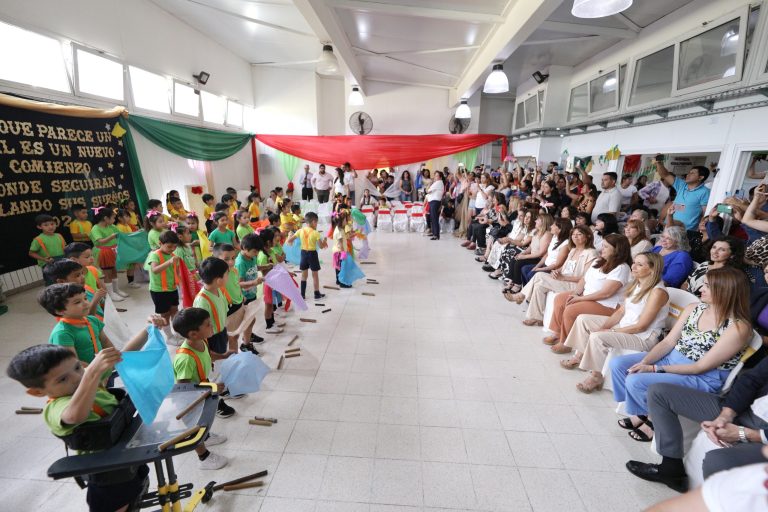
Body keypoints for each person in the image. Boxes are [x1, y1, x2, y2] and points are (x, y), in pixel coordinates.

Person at [609, 266, 752, 443]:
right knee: (619, 365)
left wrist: (654, 368)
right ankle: (643, 411)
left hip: (702, 376)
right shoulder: (694, 308)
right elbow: (669, 342)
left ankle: (653, 420)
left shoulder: (738, 327)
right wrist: (645, 362)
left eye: (707, 286)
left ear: (725, 291)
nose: (701, 289)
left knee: (636, 380)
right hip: (672, 358)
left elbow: (699, 367)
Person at [7, 345, 150, 512]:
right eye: (62, 379)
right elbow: (75, 416)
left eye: (77, 367)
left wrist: (148, 329)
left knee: (135, 497)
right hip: (108, 477)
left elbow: (120, 354)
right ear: (38, 392)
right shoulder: (56, 407)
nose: (76, 377)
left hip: (128, 461)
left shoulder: (89, 383)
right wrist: (91, 374)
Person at [625, 356, 768, 494]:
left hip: (761, 433)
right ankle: (671, 468)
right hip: (745, 408)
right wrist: (725, 416)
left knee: (718, 461)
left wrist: (748, 434)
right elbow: (751, 379)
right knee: (658, 393)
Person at [560, 252, 669, 393]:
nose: (633, 266)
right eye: (634, 262)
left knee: (598, 337)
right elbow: (620, 312)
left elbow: (641, 326)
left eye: (640, 264)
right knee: (583, 320)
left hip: (644, 337)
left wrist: (609, 331)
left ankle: (596, 375)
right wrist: (603, 327)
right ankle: (580, 355)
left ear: (653, 269)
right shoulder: (637, 285)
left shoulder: (657, 292)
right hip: (625, 326)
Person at [546, 233, 633, 353]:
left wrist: (580, 299)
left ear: (617, 250)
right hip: (589, 296)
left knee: (571, 309)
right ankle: (558, 332)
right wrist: (576, 293)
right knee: (560, 299)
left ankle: (566, 343)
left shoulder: (622, 268)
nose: (602, 249)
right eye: (603, 245)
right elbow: (584, 279)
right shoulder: (599, 261)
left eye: (606, 247)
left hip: (607, 305)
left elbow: (605, 293)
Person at [171, 308, 231, 468]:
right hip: (188, 402)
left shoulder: (201, 341)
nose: (212, 326)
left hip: (201, 393)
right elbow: (183, 388)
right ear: (193, 334)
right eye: (208, 325)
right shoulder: (185, 359)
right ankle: (204, 457)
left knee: (204, 420)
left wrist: (223, 356)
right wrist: (211, 387)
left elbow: (208, 354)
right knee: (194, 428)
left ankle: (207, 436)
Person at [513, 226, 598, 324]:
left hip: (575, 285)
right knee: (539, 286)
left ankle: (521, 295)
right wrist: (556, 272)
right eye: (573, 234)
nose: (575, 237)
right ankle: (537, 318)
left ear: (588, 236)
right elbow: (564, 268)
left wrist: (563, 277)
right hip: (563, 280)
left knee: (539, 276)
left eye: (579, 234)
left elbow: (585, 277)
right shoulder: (573, 250)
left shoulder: (591, 253)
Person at [501, 213, 554, 295]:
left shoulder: (547, 234)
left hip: (539, 259)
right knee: (515, 258)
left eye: (538, 220)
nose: (535, 221)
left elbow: (541, 253)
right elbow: (531, 247)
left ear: (543, 222)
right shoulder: (536, 232)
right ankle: (511, 281)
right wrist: (523, 253)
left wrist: (524, 257)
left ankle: (517, 285)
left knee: (519, 262)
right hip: (532, 256)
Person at [654, 157, 711, 231]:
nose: (688, 174)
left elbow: (704, 213)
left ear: (700, 177)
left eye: (692, 173)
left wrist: (699, 230)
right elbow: (665, 175)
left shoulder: (705, 192)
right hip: (668, 228)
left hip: (685, 232)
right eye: (689, 172)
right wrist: (659, 162)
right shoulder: (682, 185)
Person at [193, 257, 234, 361]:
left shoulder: (218, 290)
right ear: (219, 280)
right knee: (214, 361)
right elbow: (199, 329)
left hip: (221, 332)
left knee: (222, 354)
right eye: (227, 274)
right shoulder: (202, 301)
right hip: (212, 338)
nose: (228, 277)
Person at [145, 230, 181, 343]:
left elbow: (177, 271)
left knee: (175, 311)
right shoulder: (154, 255)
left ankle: (178, 332)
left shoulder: (173, 255)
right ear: (160, 243)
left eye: (175, 247)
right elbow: (155, 270)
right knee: (165, 314)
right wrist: (169, 262)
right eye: (169, 246)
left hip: (172, 288)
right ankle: (169, 337)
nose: (172, 249)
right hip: (159, 291)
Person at [235, 233, 266, 351]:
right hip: (244, 297)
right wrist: (253, 282)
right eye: (254, 251)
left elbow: (253, 267)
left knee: (251, 320)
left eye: (258, 251)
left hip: (252, 294)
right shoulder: (240, 263)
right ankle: (245, 344)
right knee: (249, 321)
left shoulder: (251, 257)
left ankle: (248, 336)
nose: (257, 254)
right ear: (244, 248)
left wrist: (264, 266)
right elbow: (239, 284)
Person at [288, 212, 328, 300]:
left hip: (303, 254)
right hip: (312, 254)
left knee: (304, 275)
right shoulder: (315, 233)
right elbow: (321, 246)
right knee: (315, 275)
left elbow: (290, 240)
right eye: (316, 222)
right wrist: (325, 240)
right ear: (313, 222)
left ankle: (302, 295)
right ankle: (316, 294)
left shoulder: (300, 231)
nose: (317, 224)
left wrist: (289, 235)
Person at [90, 207, 125, 302]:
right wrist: (112, 236)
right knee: (107, 273)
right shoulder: (95, 228)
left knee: (114, 270)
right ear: (106, 218)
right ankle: (110, 293)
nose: (114, 220)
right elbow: (100, 241)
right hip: (104, 252)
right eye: (113, 218)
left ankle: (116, 290)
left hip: (113, 250)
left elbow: (120, 234)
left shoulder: (111, 226)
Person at [331, 211, 352, 288]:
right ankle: (342, 283)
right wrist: (344, 253)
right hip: (340, 252)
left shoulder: (338, 229)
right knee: (342, 267)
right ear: (341, 222)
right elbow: (340, 243)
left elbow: (343, 239)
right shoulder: (339, 231)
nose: (346, 221)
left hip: (336, 251)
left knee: (338, 267)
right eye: (345, 220)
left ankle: (338, 280)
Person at [426, 170, 445, 241]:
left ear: (440, 177)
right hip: (433, 202)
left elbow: (428, 191)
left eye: (437, 176)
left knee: (434, 218)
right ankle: (434, 233)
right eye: (435, 175)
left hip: (435, 202)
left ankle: (436, 235)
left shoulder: (438, 182)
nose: (435, 177)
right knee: (433, 218)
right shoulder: (437, 183)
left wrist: (429, 185)